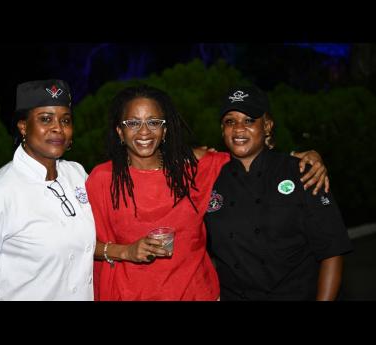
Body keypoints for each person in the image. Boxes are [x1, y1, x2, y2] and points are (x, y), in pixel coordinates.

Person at [85, 84, 329, 301]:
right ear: (120, 131)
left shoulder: (196, 168)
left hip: (197, 293)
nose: (144, 131)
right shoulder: (103, 179)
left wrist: (303, 157)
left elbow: (251, 156)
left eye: (153, 122)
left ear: (165, 129)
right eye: (133, 123)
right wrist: (125, 251)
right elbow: (80, 245)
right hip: (129, 294)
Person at [0, 79, 96, 301]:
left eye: (65, 120)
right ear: (23, 126)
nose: (58, 128)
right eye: (45, 119)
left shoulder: (77, 175)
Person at [204, 85, 353, 300]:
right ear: (222, 129)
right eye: (230, 121)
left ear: (267, 126)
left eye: (249, 120)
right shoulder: (210, 178)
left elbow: (332, 250)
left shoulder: (302, 171)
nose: (238, 129)